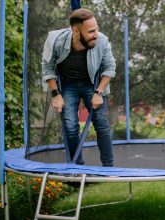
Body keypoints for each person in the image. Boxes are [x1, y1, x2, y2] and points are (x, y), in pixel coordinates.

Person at [42, 8, 116, 166]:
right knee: (70, 126)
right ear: (76, 31)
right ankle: (77, 167)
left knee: (102, 125)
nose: (96, 34)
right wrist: (56, 94)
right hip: (68, 84)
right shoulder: (55, 41)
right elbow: (47, 69)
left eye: (96, 28)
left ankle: (109, 170)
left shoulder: (101, 40)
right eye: (91, 31)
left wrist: (99, 92)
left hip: (92, 84)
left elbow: (110, 69)